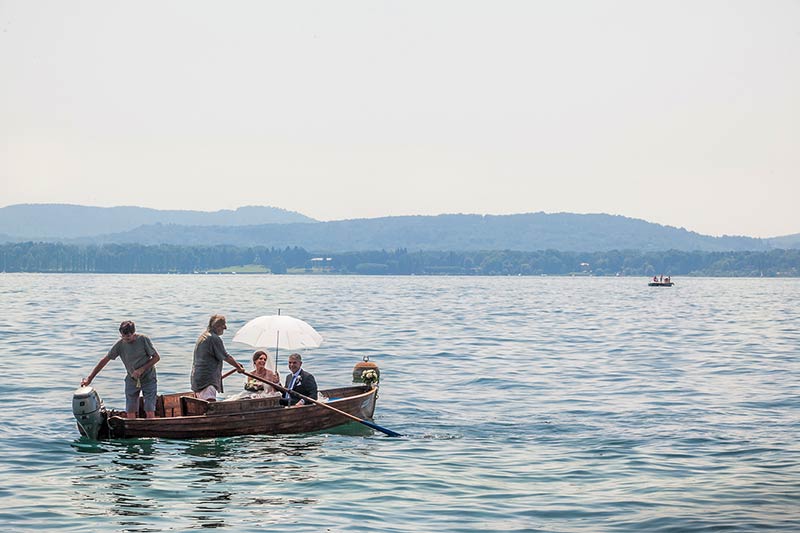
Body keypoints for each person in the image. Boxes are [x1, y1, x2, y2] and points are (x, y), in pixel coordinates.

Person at [81, 320, 161, 419]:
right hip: (132, 380)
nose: (126, 339)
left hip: (148, 378)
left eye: (129, 337)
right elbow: (105, 360)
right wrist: (90, 379)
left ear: (133, 333)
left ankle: (151, 430)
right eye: (123, 336)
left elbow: (156, 358)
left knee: (149, 408)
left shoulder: (143, 340)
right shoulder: (120, 345)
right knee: (130, 410)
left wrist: (142, 369)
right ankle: (133, 430)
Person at [190, 314, 245, 401]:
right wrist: (238, 367)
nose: (225, 328)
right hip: (207, 381)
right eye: (223, 326)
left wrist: (237, 365)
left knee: (202, 405)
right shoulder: (213, 338)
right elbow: (226, 357)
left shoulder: (203, 337)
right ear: (218, 326)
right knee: (210, 406)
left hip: (197, 380)